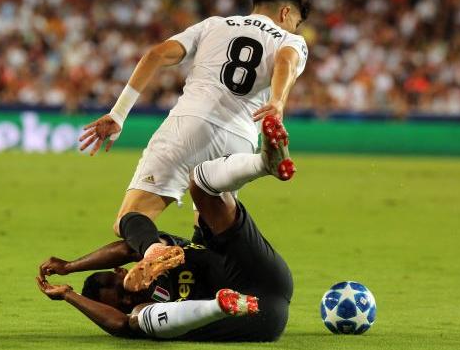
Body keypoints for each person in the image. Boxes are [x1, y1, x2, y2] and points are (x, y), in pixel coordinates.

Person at [77, 0, 309, 254]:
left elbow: (156, 54)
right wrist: (277, 101)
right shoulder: (290, 39)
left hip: (188, 126)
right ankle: (198, 289)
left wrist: (118, 113)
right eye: (296, 21)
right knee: (212, 227)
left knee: (132, 218)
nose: (294, 27)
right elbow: (285, 60)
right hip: (240, 139)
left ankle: (154, 252)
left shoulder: (214, 25)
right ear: (285, 13)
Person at [38, 116, 295, 341]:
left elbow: (128, 246)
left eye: (121, 289)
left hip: (257, 271)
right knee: (137, 320)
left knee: (199, 183)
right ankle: (218, 306)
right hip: (256, 317)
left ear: (120, 271)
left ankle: (265, 163)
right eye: (122, 304)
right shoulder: (142, 311)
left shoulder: (165, 255)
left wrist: (70, 266)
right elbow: (118, 324)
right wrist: (68, 295)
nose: (128, 299)